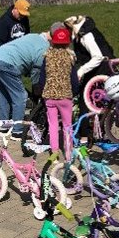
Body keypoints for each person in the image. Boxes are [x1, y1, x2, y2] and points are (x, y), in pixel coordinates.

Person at [0, 32, 50, 139]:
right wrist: (36, 88)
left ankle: (4, 127)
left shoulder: (34, 36)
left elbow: (25, 55)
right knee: (20, 96)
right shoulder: (45, 47)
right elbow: (36, 69)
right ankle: (17, 131)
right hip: (7, 63)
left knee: (4, 95)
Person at [64, 15, 115, 143]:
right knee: (100, 101)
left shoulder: (85, 35)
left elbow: (97, 56)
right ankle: (99, 133)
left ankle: (85, 136)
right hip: (102, 67)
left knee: (85, 101)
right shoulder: (84, 32)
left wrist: (81, 71)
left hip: (100, 69)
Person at [0, 0, 31, 125]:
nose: (22, 16)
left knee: (13, 87)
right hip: (4, 59)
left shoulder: (24, 20)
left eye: (24, 15)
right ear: (15, 9)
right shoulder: (3, 22)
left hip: (18, 59)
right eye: (21, 13)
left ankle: (10, 116)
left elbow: (27, 37)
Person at [39, 27, 79, 160]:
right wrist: (75, 91)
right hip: (65, 96)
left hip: (50, 96)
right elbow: (74, 79)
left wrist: (41, 90)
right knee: (67, 125)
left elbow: (42, 78)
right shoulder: (70, 57)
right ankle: (68, 154)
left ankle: (54, 153)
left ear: (53, 42)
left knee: (53, 125)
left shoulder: (47, 56)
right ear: (68, 42)